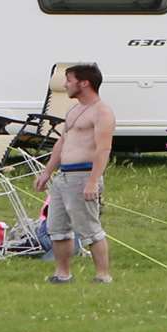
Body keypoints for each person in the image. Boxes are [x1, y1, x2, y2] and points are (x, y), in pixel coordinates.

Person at [34, 63, 114, 284]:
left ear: (84, 83)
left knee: (90, 229)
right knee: (57, 229)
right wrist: (47, 172)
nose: (65, 85)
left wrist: (93, 181)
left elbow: (103, 149)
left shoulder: (102, 112)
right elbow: (62, 142)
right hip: (63, 178)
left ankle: (102, 275)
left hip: (84, 176)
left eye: (69, 80)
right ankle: (62, 273)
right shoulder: (74, 111)